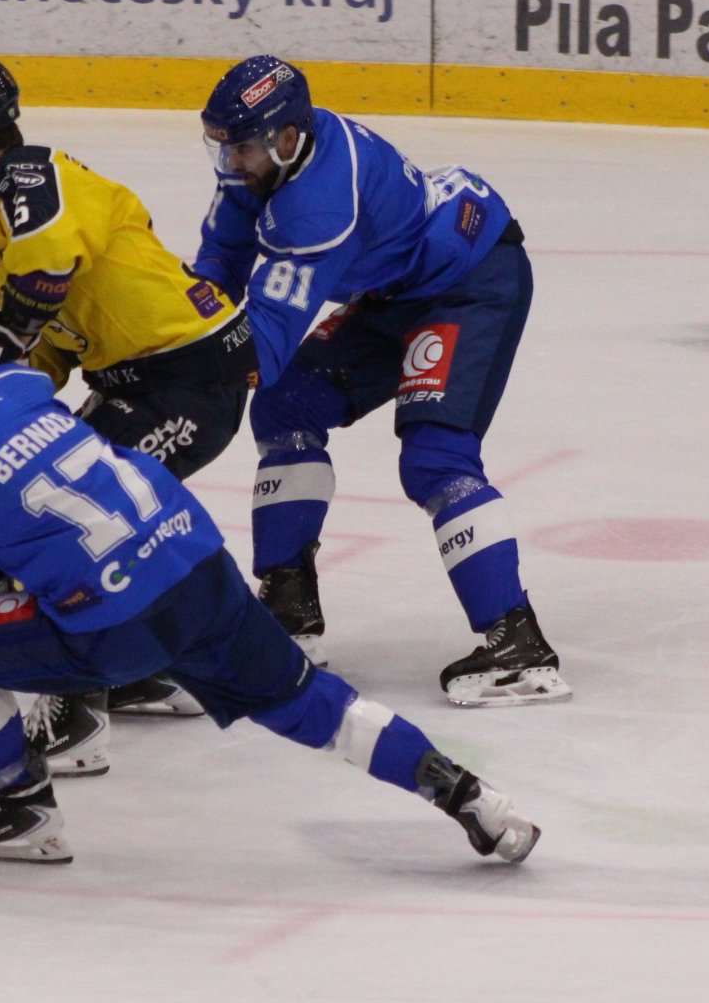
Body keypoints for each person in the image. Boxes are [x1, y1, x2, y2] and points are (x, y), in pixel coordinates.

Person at [0, 294, 540, 865]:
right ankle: (468, 795)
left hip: (116, 626)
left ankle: (23, 811)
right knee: (308, 701)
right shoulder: (18, 387)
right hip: (198, 569)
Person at [0, 52, 258, 751]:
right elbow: (44, 352)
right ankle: (148, 668)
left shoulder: (27, 177)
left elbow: (43, 278)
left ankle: (75, 710)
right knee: (22, 529)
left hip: (189, 377)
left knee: (50, 524)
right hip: (146, 382)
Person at [192, 56, 571, 708]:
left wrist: (179, 369)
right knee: (285, 409)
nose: (232, 163)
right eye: (224, 148)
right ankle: (289, 613)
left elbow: (263, 346)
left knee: (435, 456)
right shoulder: (264, 162)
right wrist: (182, 326)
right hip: (396, 289)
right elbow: (221, 260)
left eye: (244, 149)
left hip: (469, 283)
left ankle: (519, 646)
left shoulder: (318, 207)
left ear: (287, 139)